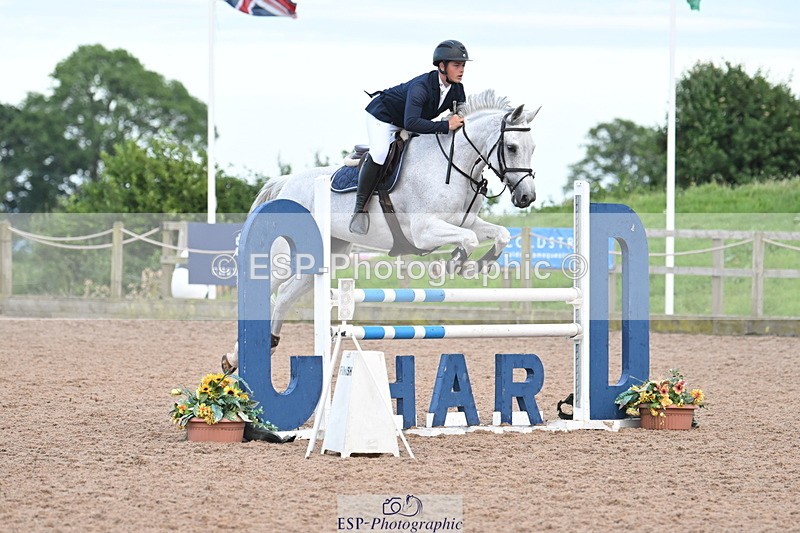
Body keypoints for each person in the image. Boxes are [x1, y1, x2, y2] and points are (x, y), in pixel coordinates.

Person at [349, 39, 470, 235]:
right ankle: (360, 209)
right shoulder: (421, 87)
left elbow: (460, 116)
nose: (461, 70)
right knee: (380, 153)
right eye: (456, 65)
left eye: (463, 65)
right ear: (442, 66)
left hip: (408, 120)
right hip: (383, 117)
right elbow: (411, 123)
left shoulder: (457, 89)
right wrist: (446, 125)